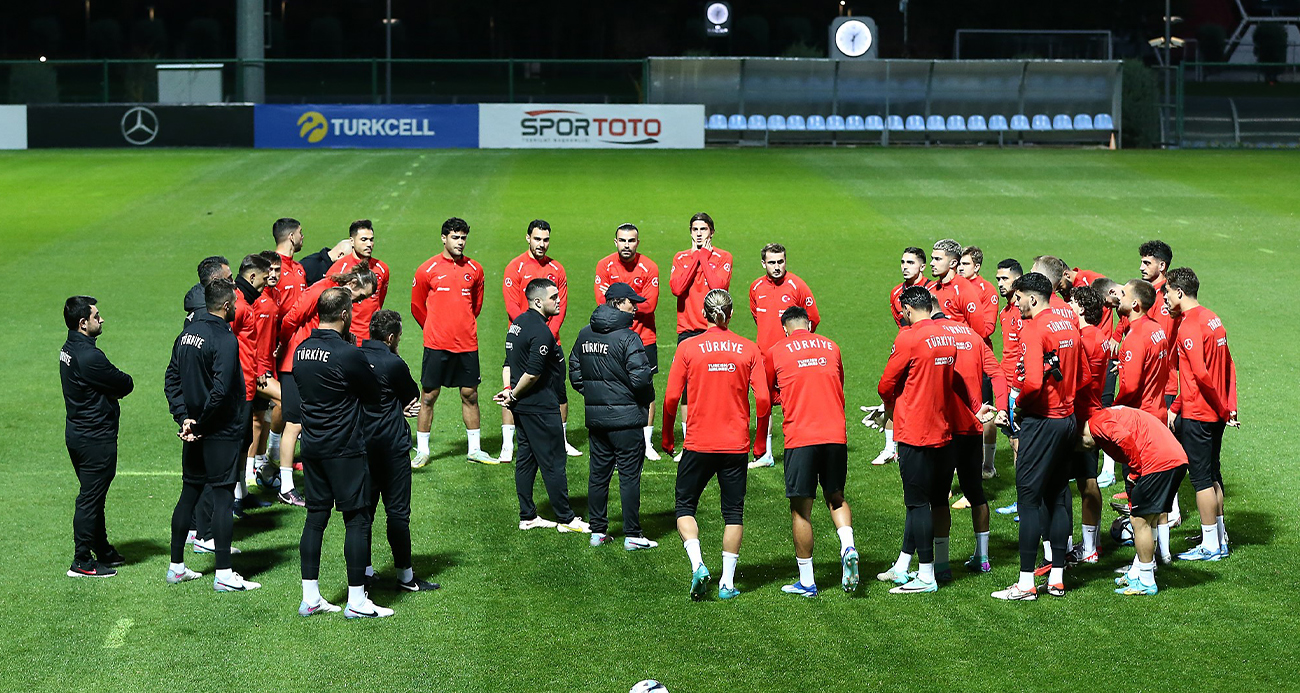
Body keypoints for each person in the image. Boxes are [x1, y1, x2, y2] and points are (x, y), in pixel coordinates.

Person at [661, 289, 769, 601]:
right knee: (733, 513)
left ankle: (697, 564)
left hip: (698, 443)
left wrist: (668, 436)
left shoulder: (689, 348)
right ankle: (728, 584)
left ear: (703, 314)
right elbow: (762, 399)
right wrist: (760, 440)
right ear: (731, 314)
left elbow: (670, 398)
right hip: (735, 445)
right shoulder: (748, 348)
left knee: (685, 506)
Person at [294, 287, 390, 618]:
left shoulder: (301, 350)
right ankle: (357, 601)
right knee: (358, 519)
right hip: (345, 448)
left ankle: (311, 598)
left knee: (315, 518)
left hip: (311, 446)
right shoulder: (348, 354)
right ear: (346, 315)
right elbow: (374, 394)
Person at [163, 279, 259, 592]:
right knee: (221, 497)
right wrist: (200, 424)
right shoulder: (224, 338)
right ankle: (224, 574)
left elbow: (171, 379)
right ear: (228, 305)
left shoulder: (185, 334)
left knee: (189, 493)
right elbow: (220, 392)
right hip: (219, 431)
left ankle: (176, 566)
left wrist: (184, 419)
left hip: (193, 429)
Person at [991, 272, 1082, 602]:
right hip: (1067, 420)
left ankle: (1026, 583)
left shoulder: (1032, 328)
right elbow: (1081, 373)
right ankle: (1057, 577)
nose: (1015, 303)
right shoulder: (1068, 321)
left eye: (1019, 297)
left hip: (1042, 422)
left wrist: (1019, 407)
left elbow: (1030, 384)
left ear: (1032, 298)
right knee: (1058, 496)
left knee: (1029, 501)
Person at [756, 306, 857, 597]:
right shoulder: (832, 346)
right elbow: (839, 384)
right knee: (836, 496)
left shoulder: (777, 350)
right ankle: (847, 545)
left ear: (785, 328)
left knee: (801, 509)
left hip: (801, 437)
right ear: (810, 325)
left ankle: (808, 581)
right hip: (835, 434)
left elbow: (767, 392)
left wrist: (784, 397)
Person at [874, 286, 959, 595]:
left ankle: (925, 576)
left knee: (917, 503)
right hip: (943, 431)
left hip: (915, 433)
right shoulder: (948, 336)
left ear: (908, 310)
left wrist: (888, 405)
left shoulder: (908, 337)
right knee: (932, 500)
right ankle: (904, 565)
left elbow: (886, 384)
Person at [277, 267, 378, 504]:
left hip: (316, 361)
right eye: (361, 296)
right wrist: (283, 346)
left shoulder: (334, 297)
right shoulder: (320, 291)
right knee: (294, 423)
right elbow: (291, 319)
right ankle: (286, 486)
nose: (361, 302)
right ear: (352, 283)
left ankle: (313, 478)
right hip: (298, 361)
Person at [496, 279, 590, 534]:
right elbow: (533, 373)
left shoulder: (517, 324)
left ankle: (528, 516)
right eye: (554, 297)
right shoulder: (541, 332)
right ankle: (566, 518)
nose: (559, 300)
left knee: (526, 460)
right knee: (554, 461)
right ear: (538, 301)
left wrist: (508, 392)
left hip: (524, 408)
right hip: (539, 407)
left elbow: (508, 363)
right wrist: (513, 395)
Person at [568, 283, 657, 550]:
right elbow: (641, 380)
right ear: (618, 303)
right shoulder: (629, 337)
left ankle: (597, 531)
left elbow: (575, 373)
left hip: (597, 421)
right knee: (629, 476)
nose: (636, 307)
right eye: (632, 302)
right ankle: (633, 534)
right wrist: (629, 398)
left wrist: (597, 394)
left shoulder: (584, 334)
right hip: (627, 420)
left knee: (598, 475)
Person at [359, 310, 440, 590]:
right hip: (392, 447)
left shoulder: (354, 357)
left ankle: (365, 572)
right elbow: (412, 397)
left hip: (361, 447)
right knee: (397, 513)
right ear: (391, 337)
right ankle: (405, 577)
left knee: (363, 514)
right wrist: (399, 406)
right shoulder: (394, 363)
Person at [1165, 268, 1238, 561]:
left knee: (1201, 480)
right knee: (1213, 474)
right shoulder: (1213, 318)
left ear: (1180, 293)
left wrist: (1218, 408)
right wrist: (1230, 407)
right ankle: (1219, 540)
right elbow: (1229, 365)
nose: (1166, 298)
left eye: (1168, 292)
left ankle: (1209, 546)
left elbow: (1201, 375)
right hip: (1215, 412)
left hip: (1201, 412)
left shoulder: (1189, 325)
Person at [931, 296, 1006, 577]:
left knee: (938, 496)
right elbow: (996, 373)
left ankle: (940, 563)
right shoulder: (972, 336)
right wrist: (1001, 406)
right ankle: (983, 557)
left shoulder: (933, 336)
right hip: (973, 427)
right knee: (976, 492)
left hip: (944, 427)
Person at [61, 296, 134, 578]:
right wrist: (111, 391)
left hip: (79, 433)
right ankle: (81, 559)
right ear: (83, 323)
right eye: (97, 316)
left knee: (95, 495)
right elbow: (125, 382)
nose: (101, 319)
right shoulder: (90, 356)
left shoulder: (68, 348)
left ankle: (101, 548)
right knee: (90, 497)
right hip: (95, 439)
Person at [1082, 406, 1188, 596]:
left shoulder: (1097, 424)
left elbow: (1124, 439)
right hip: (1174, 457)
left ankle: (1147, 581)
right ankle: (1137, 572)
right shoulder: (1107, 417)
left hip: (1159, 461)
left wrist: (1135, 472)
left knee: (1139, 521)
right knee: (1151, 518)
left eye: (1084, 446)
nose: (1089, 450)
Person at [411, 217, 490, 467]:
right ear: (444, 238)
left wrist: (460, 325)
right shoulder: (427, 269)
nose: (460, 242)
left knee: (470, 394)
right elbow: (416, 306)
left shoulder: (475, 269)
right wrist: (434, 328)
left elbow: (475, 306)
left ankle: (474, 449)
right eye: (455, 237)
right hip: (436, 344)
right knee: (429, 396)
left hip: (467, 344)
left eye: (463, 237)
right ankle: (423, 451)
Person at [500, 219, 580, 461]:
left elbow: (561, 306)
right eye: (537, 239)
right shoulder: (515, 267)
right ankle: (507, 445)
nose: (542, 244)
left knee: (559, 392)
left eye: (546, 240)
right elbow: (512, 306)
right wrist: (532, 331)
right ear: (528, 238)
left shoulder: (558, 269)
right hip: (521, 341)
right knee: (513, 389)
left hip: (552, 340)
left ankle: (561, 440)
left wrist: (549, 334)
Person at [748, 242, 820, 469]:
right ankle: (765, 454)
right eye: (772, 262)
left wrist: (796, 347)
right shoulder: (756, 287)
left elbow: (813, 319)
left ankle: (798, 450)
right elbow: (757, 318)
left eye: (780, 262)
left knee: (793, 405)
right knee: (764, 403)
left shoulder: (797, 286)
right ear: (763, 263)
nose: (777, 267)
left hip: (791, 359)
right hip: (763, 358)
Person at [594, 223, 662, 461]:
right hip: (613, 338)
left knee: (646, 389)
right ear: (616, 242)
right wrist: (633, 301)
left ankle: (646, 442)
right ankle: (614, 439)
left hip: (645, 337)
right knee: (612, 386)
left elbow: (649, 305)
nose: (626, 245)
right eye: (622, 240)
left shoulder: (650, 267)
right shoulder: (604, 265)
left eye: (631, 241)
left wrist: (620, 303)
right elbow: (603, 303)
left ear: (637, 243)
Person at [668, 213, 733, 463]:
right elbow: (677, 288)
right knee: (686, 388)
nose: (698, 233)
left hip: (714, 328)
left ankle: (719, 436)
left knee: (718, 383)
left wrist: (703, 258)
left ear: (712, 232)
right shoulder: (681, 257)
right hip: (687, 330)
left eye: (703, 229)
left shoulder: (723, 257)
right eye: (694, 229)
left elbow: (718, 287)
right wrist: (696, 258)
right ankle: (689, 443)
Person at [871, 247, 929, 467]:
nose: (905, 266)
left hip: (925, 351)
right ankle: (889, 448)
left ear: (922, 266)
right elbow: (901, 324)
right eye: (903, 262)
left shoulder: (931, 289)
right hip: (905, 347)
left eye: (911, 263)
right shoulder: (896, 292)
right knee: (892, 393)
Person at [1064, 285, 1108, 566]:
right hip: (1094, 411)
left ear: (1081, 308)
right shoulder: (1100, 336)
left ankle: (1087, 547)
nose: (1067, 305)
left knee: (1084, 482)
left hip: (1082, 417)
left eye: (1071, 302)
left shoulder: (1083, 339)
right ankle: (1092, 543)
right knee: (1086, 480)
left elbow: (1078, 380)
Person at [230, 254, 274, 517]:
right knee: (236, 444)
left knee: (244, 439)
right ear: (252, 276)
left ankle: (242, 495)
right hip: (238, 385)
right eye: (264, 278)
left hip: (248, 381)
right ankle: (233, 500)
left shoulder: (247, 300)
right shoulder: (239, 305)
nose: (267, 282)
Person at [268, 218, 308, 498]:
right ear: (292, 236)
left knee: (291, 413)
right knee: (279, 415)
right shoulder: (273, 268)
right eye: (301, 233)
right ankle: (273, 473)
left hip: (298, 350)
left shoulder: (299, 268)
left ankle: (267, 465)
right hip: (280, 354)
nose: (303, 237)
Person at [959, 245, 1003, 484]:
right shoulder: (953, 287)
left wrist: (960, 329)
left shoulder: (987, 290)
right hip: (956, 360)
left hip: (979, 359)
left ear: (976, 266)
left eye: (965, 264)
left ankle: (988, 464)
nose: (960, 267)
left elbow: (987, 328)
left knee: (985, 410)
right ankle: (962, 460)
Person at [247, 250, 283, 490]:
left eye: (277, 270)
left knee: (259, 418)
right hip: (257, 369)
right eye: (269, 270)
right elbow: (250, 338)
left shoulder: (273, 295)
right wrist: (259, 367)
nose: (273, 274)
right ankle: (272, 452)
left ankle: (257, 465)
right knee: (286, 401)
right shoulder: (254, 300)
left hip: (269, 365)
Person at [990, 258, 1023, 488]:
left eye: (1005, 278)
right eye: (998, 278)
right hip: (1007, 383)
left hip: (1019, 386)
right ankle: (1023, 498)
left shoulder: (1022, 311)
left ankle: (1026, 497)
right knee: (1013, 440)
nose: (1000, 283)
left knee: (1020, 442)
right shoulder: (1005, 311)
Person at [328, 220, 389, 342]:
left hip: (372, 339)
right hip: (346, 339)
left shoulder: (382, 269)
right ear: (352, 241)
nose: (369, 244)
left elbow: (379, 301)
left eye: (371, 240)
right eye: (364, 240)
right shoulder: (338, 270)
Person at [930, 238, 994, 338]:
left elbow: (979, 333)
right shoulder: (931, 289)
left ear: (953, 263)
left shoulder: (963, 289)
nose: (932, 263)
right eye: (932, 258)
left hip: (960, 351)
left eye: (937, 259)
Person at [183, 256, 231, 323]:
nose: (233, 282)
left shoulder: (200, 305)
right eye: (229, 278)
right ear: (215, 281)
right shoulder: (208, 316)